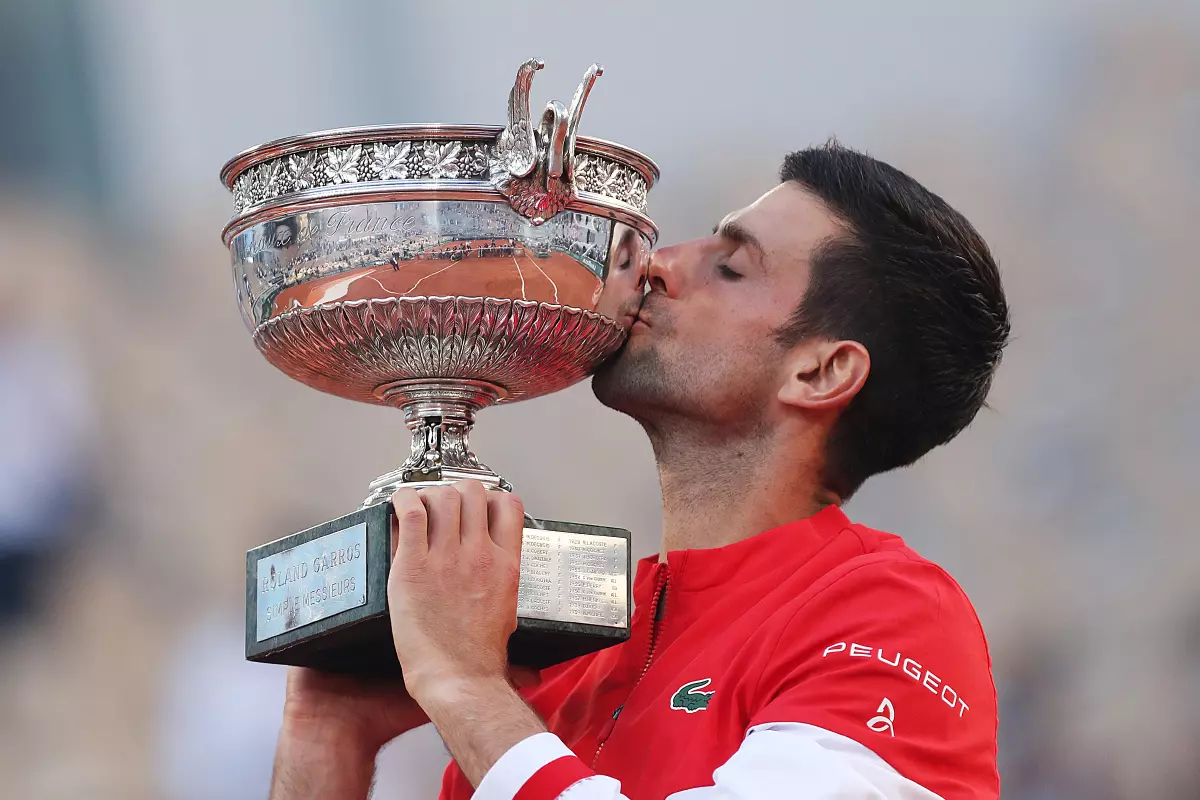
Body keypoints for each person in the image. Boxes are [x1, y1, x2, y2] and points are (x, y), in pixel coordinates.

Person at [268, 141, 1011, 800]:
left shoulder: (892, 616)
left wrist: (462, 687)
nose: (656, 264)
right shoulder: (555, 662)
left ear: (820, 373)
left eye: (729, 266)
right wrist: (327, 735)